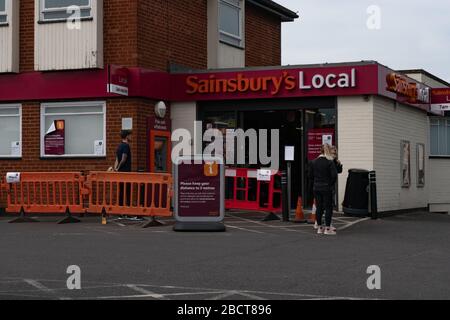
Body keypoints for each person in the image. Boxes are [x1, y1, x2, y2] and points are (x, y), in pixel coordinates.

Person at [308, 144, 338, 236]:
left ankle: (320, 228)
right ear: (327, 151)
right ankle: (327, 228)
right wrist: (330, 184)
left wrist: (315, 183)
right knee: (328, 207)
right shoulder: (329, 162)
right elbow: (334, 176)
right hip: (326, 187)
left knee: (319, 207)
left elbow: (310, 176)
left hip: (316, 187)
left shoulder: (313, 162)